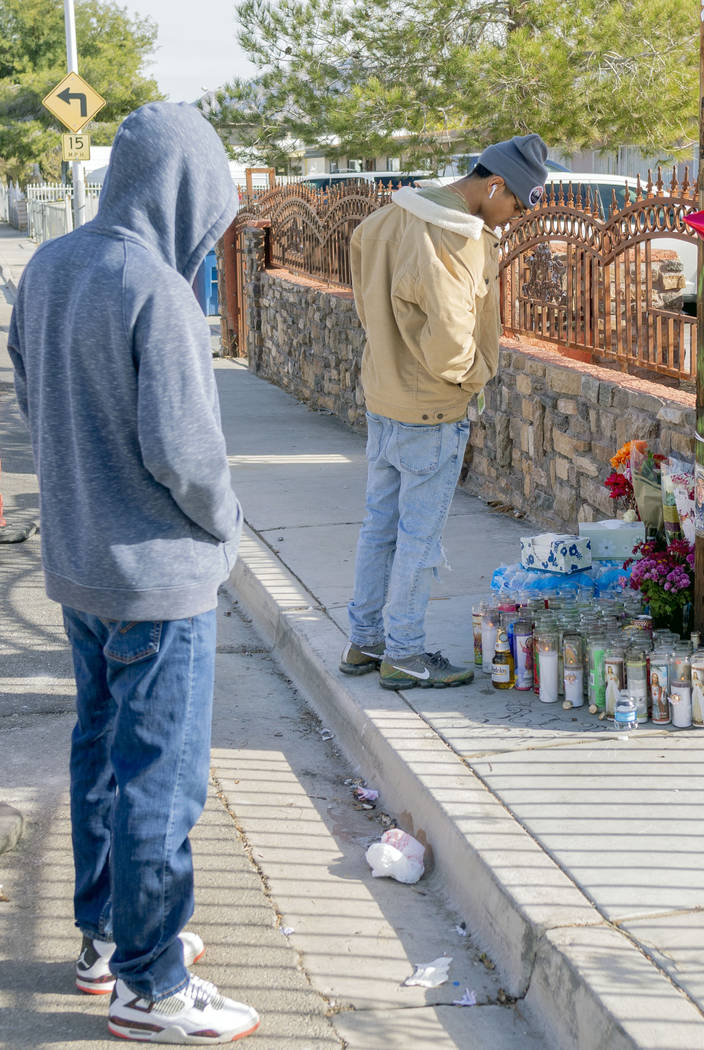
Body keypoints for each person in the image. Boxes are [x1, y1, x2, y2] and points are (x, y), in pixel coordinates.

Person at [7, 102, 259, 1043]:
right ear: (186, 187)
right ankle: (151, 989)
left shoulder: (50, 266)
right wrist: (227, 526)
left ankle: (107, 940)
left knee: (101, 753)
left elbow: (31, 393)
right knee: (162, 776)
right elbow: (186, 454)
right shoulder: (154, 285)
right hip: (158, 575)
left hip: (78, 562)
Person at [340, 134, 549, 690]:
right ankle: (405, 653)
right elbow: (452, 338)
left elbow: (364, 292)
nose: (513, 218)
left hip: (384, 394)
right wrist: (473, 379)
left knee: (379, 527)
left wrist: (390, 347)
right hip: (431, 408)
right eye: (517, 204)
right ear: (494, 184)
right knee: (419, 539)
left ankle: (365, 641)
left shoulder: (390, 216)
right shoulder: (456, 237)